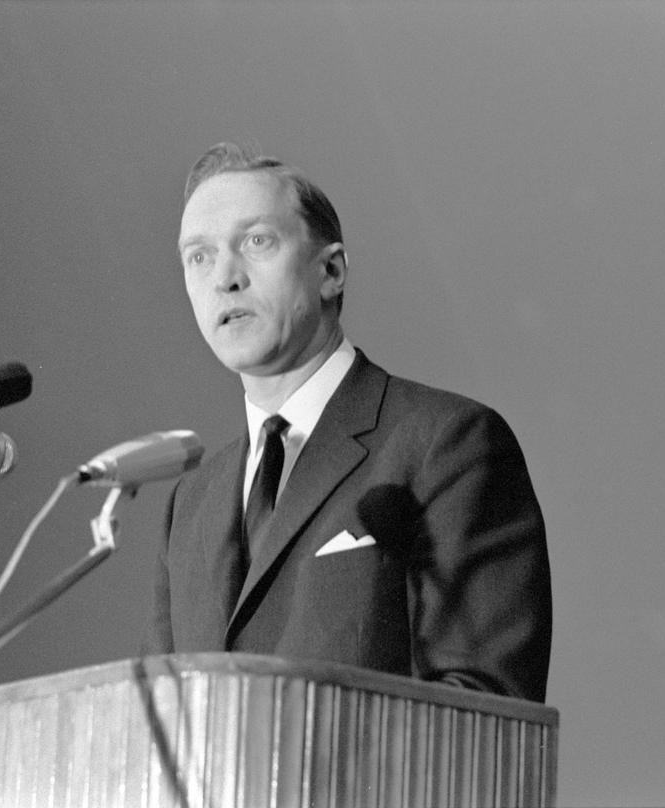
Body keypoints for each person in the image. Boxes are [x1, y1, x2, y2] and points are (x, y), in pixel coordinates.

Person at [145, 143, 552, 703]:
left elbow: (484, 707)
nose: (225, 278)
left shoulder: (447, 444)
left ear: (331, 271)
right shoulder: (191, 504)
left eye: (257, 241)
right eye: (199, 256)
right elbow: (160, 720)